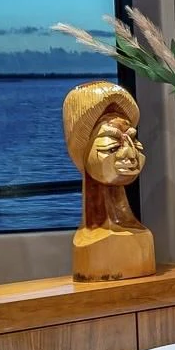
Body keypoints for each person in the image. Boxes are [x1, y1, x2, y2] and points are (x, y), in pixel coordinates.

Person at [62, 80, 156, 280]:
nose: (131, 154)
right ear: (83, 150)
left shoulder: (141, 234)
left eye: (133, 139)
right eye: (113, 143)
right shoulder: (89, 241)